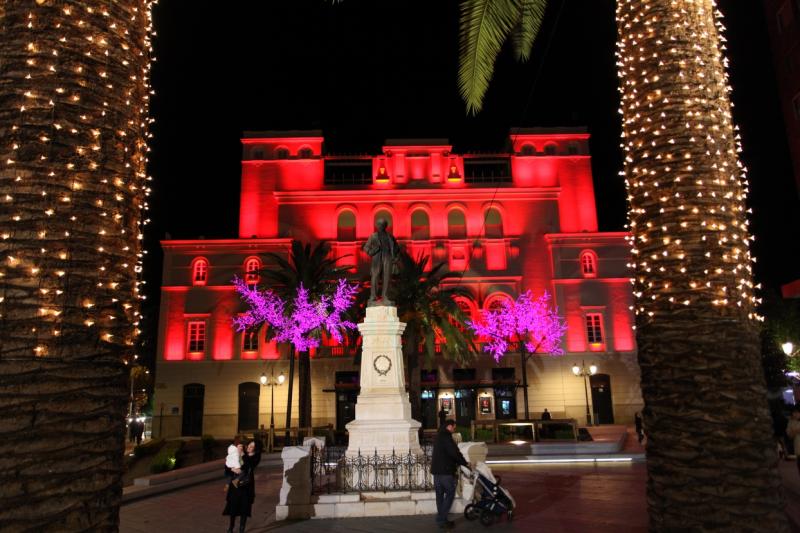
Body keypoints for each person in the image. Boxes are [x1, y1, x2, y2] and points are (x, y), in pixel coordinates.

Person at [431, 419, 469, 529]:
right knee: (450, 493)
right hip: (445, 472)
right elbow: (454, 452)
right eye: (453, 427)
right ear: (449, 426)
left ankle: (442, 519)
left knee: (440, 496)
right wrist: (464, 463)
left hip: (436, 471)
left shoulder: (438, 436)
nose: (454, 429)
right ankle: (441, 519)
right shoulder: (446, 437)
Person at [362, 218, 399, 305]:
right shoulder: (373, 236)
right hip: (377, 258)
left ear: (385, 226)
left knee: (387, 277)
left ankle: (385, 296)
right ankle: (373, 296)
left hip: (388, 257)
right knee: (375, 277)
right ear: (377, 226)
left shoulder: (390, 237)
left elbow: (397, 248)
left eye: (382, 224)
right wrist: (373, 251)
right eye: (379, 224)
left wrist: (395, 256)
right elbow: (366, 247)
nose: (380, 226)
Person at [224, 440, 257, 533]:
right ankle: (231, 527)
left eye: (242, 447)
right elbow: (226, 471)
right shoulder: (231, 457)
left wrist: (242, 455)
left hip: (245, 486)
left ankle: (242, 529)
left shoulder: (247, 456)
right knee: (233, 507)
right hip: (235, 487)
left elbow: (249, 466)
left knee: (244, 508)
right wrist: (233, 469)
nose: (240, 448)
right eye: (238, 447)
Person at [786, 408, 800, 474]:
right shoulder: (791, 422)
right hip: (798, 448)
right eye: (794, 413)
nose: (795, 414)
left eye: (797, 412)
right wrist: (796, 431)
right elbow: (789, 435)